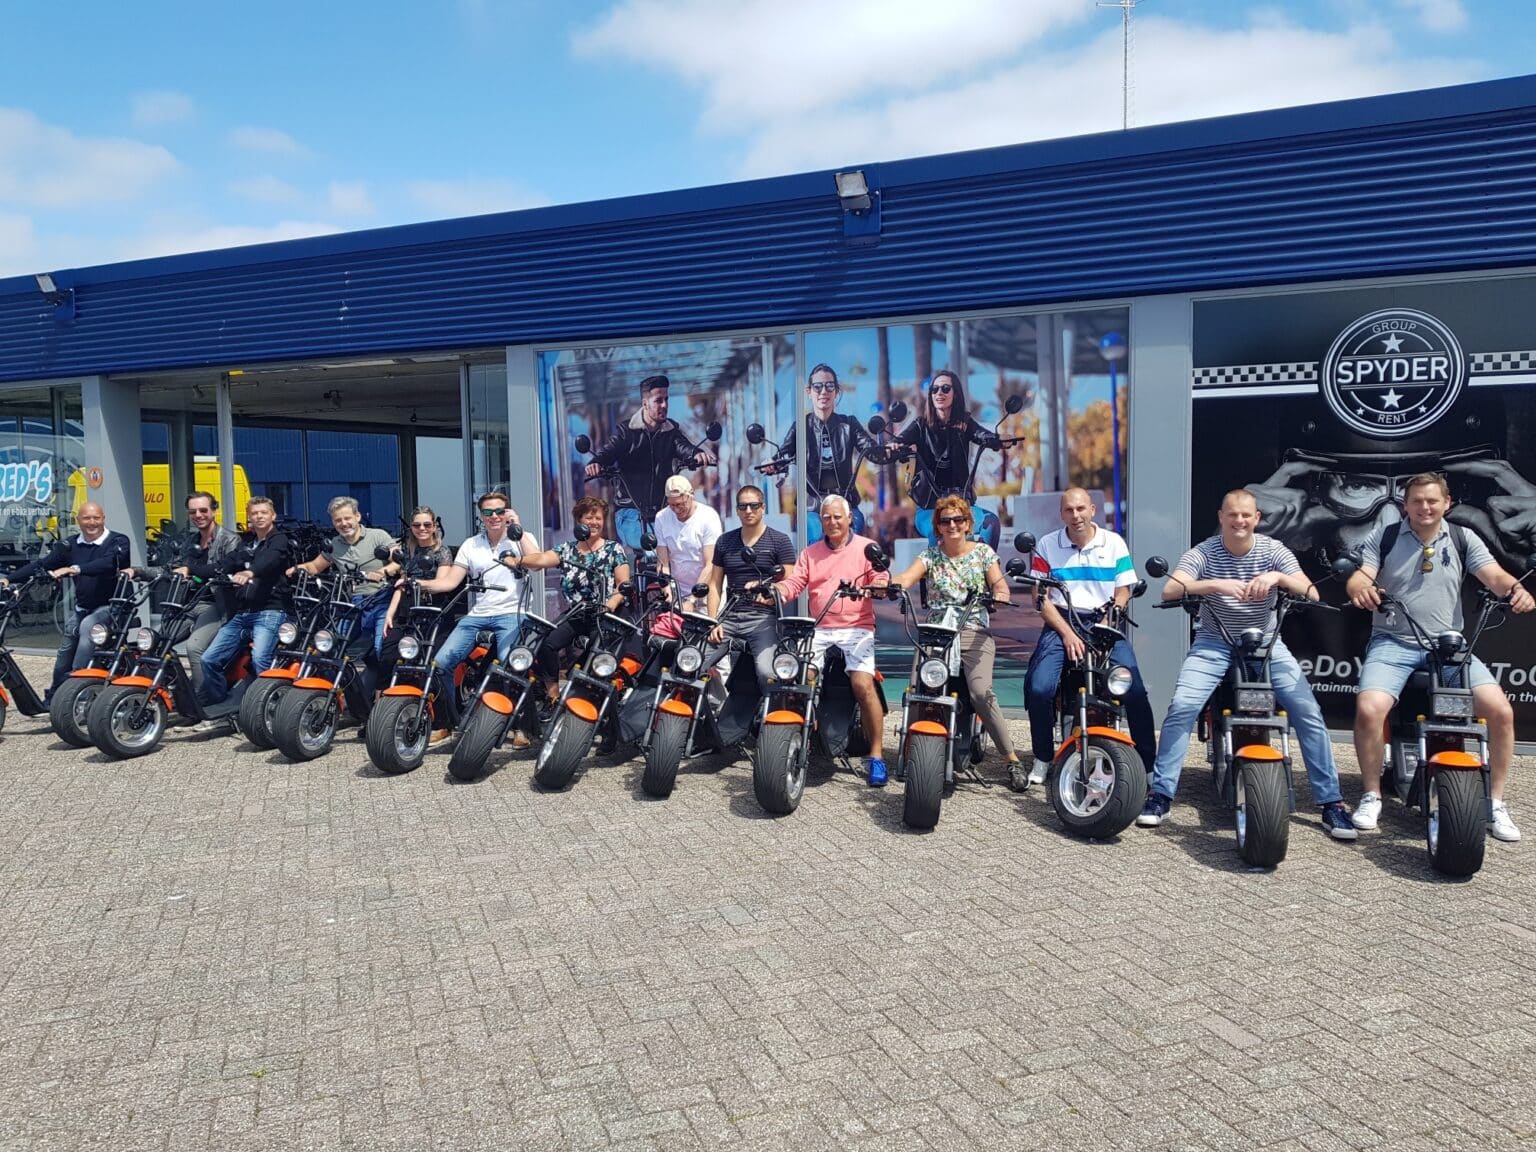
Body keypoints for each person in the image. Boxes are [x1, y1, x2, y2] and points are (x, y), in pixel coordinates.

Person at [1136, 488, 1357, 840]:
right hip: (1214, 642)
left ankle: (1331, 803)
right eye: (1232, 515)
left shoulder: (1273, 550)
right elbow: (1171, 590)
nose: (1239, 521)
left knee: (1308, 712)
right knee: (1182, 707)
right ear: (1221, 517)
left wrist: (1278, 578)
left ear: (1257, 518)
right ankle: (1160, 795)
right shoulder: (1204, 551)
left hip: (1267, 643)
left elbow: (1311, 592)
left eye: (1245, 515)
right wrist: (1215, 585)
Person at [1344, 472, 1534, 841]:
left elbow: (1494, 576)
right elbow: (1360, 576)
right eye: (1417, 501)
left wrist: (1517, 591)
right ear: (1406, 505)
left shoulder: (1463, 537)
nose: (1424, 507)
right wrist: (1360, 589)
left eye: (1432, 500)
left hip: (1448, 647)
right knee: (1369, 708)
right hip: (1393, 642)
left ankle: (1495, 803)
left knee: (1501, 712)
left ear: (1447, 503)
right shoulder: (1385, 536)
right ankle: (1371, 795)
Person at [1021, 486, 1156, 791]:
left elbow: (1123, 590)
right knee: (1040, 688)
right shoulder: (1047, 544)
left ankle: (1149, 766)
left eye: (1081, 508)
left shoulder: (1114, 542)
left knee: (1134, 690)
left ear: (1093, 510)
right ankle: (1043, 757)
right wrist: (1067, 633)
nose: (1076, 515)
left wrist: (1108, 622)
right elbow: (1040, 599)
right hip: (1062, 621)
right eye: (1069, 510)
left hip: (1104, 619)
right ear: (1061, 514)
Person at [886, 495, 1020, 774]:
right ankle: (910, 752)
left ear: (968, 524)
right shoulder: (930, 555)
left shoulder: (983, 553)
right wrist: (887, 583)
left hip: (973, 631)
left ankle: (1011, 759)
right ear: (938, 526)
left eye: (958, 519)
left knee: (981, 693)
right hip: (937, 635)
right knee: (919, 689)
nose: (952, 525)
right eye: (945, 521)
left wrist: (999, 596)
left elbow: (1000, 587)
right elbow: (907, 577)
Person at [767, 495, 889, 785]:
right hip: (820, 627)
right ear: (820, 521)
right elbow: (795, 582)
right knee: (799, 678)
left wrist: (877, 586)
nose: (832, 522)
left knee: (862, 684)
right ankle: (799, 737)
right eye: (826, 517)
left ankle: (876, 755)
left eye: (837, 517)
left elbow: (881, 577)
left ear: (849, 519)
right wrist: (776, 590)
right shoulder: (810, 553)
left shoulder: (866, 548)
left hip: (857, 627)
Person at [414, 491, 553, 735]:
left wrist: (518, 528)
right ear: (481, 516)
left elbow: (538, 563)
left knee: (512, 665)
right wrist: (417, 583)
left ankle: (522, 728)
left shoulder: (521, 537)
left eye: (499, 511)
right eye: (488, 512)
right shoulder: (471, 544)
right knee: (441, 663)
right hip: (478, 614)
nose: (494, 516)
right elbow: (450, 582)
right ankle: (448, 722)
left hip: (512, 611)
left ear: (507, 512)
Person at [2, 502, 131, 696]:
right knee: (66, 649)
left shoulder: (118, 541)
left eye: (96, 518)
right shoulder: (70, 545)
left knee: (87, 627)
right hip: (83, 607)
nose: (92, 522)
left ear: (103, 519)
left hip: (112, 607)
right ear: (78, 520)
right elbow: (43, 564)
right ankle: (56, 693)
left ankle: (76, 691)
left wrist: (75, 569)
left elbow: (109, 563)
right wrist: (10, 579)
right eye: (86, 518)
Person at [762, 363, 893, 544]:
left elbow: (870, 450)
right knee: (816, 533)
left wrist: (888, 450)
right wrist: (773, 463)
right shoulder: (801, 426)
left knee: (856, 526)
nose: (823, 391)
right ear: (809, 392)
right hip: (812, 506)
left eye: (829, 386)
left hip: (845, 502)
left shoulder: (849, 424)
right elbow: (784, 453)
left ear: (836, 391)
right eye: (818, 386)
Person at [584, 374, 718, 550]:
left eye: (666, 400)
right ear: (645, 404)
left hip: (663, 511)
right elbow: (609, 451)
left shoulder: (671, 431)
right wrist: (596, 462)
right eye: (658, 401)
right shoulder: (627, 432)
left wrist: (696, 454)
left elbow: (683, 446)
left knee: (689, 540)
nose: (664, 405)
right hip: (630, 512)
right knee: (654, 541)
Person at [136, 491, 241, 699]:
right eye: (193, 512)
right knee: (155, 642)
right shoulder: (191, 541)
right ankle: (170, 688)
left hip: (217, 605)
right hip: (188, 604)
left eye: (203, 510)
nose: (198, 515)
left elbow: (224, 569)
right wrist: (138, 571)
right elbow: (172, 568)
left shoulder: (230, 539)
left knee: (194, 648)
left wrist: (191, 570)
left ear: (214, 510)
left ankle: (202, 698)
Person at [529, 496, 631, 699]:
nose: (594, 522)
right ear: (579, 521)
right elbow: (540, 559)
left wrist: (610, 604)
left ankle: (584, 693)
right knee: (546, 643)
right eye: (589, 518)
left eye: (598, 518)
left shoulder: (613, 549)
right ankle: (553, 697)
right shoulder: (566, 550)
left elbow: (622, 585)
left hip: (606, 614)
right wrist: (517, 560)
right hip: (578, 613)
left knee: (598, 650)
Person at [198, 497, 293, 708]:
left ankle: (270, 706)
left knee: (260, 658)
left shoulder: (279, 541)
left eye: (263, 513)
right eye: (254, 513)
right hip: (243, 614)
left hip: (270, 611)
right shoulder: (247, 543)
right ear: (249, 517)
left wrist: (250, 572)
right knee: (209, 659)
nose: (259, 517)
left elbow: (269, 561)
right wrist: (189, 569)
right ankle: (221, 705)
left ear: (273, 515)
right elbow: (223, 564)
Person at [893, 370, 1003, 547]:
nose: (939, 393)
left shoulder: (964, 423)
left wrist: (998, 440)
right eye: (934, 389)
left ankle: (982, 563)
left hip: (961, 505)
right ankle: (937, 566)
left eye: (945, 388)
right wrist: (893, 446)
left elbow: (981, 434)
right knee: (938, 528)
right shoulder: (920, 426)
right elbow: (899, 440)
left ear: (955, 394)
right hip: (929, 508)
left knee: (991, 523)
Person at [704, 484, 798, 690]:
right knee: (692, 661)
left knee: (767, 673)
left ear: (763, 507)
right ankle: (717, 702)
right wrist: (713, 622)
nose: (748, 511)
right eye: (743, 506)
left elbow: (790, 584)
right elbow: (715, 585)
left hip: (763, 619)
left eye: (754, 506)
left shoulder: (780, 541)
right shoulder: (725, 541)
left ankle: (771, 710)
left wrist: (770, 592)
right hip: (729, 616)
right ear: (737, 510)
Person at [288, 496, 397, 658]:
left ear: (357, 516)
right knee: (331, 645)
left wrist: (382, 572)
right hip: (354, 602)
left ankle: (383, 674)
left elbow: (398, 561)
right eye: (338, 520)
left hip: (381, 600)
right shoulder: (335, 544)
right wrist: (297, 568)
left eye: (347, 518)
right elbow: (316, 566)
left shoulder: (378, 536)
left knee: (381, 647)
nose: (343, 523)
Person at [376, 507, 455, 691]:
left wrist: (415, 582)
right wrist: (390, 614)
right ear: (411, 527)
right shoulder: (407, 551)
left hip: (432, 609)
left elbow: (441, 583)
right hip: (407, 609)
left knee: (431, 660)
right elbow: (400, 586)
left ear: (434, 526)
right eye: (417, 525)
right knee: (388, 654)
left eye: (427, 524)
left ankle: (434, 701)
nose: (422, 528)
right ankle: (381, 701)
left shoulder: (442, 552)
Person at [653, 475, 722, 610]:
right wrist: (667, 591)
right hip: (679, 593)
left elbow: (710, 564)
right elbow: (663, 563)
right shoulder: (661, 517)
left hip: (707, 591)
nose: (676, 510)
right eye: (672, 505)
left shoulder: (708, 516)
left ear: (691, 495)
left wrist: (692, 599)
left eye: (680, 504)